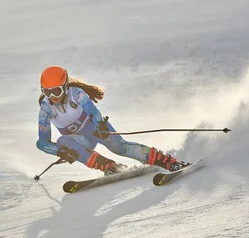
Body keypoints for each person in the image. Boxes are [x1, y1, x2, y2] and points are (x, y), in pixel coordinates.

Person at [36, 65, 187, 175]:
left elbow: (92, 110)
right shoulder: (46, 109)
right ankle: (108, 166)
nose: (52, 96)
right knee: (63, 141)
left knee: (119, 147)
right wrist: (60, 151)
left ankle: (166, 161)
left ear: (65, 86)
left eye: (56, 90)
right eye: (46, 91)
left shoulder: (76, 94)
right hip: (81, 140)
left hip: (95, 129)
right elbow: (42, 142)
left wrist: (100, 124)